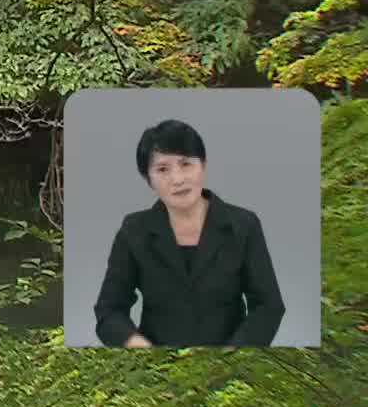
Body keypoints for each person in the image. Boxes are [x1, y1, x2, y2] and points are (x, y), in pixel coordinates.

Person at [93, 119, 286, 347]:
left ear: (203, 165)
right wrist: (141, 349)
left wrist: (234, 355)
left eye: (186, 164)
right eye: (162, 169)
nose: (177, 179)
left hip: (232, 363)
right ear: (149, 179)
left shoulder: (244, 225)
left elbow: (269, 306)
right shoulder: (134, 231)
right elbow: (109, 310)